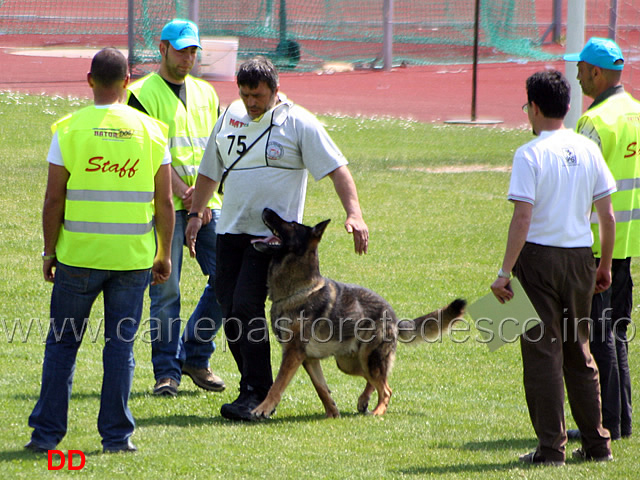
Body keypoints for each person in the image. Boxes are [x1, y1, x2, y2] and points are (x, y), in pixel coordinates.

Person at [184, 56, 369, 421]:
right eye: (246, 94)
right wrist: (195, 215)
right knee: (228, 307)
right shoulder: (230, 117)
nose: (251, 102)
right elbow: (209, 170)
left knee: (245, 307)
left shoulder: (297, 121)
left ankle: (257, 393)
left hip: (270, 240)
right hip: (229, 231)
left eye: (258, 95)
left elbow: (337, 169)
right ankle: (249, 385)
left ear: (275, 89)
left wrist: (354, 213)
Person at [25, 47, 174, 453]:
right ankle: (116, 438)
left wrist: (48, 251)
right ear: (128, 82)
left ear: (90, 80)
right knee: (120, 348)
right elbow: (164, 203)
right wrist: (164, 254)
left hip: (78, 258)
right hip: (131, 260)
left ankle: (46, 437)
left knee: (61, 345)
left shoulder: (69, 129)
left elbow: (53, 199)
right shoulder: (152, 131)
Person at [490, 70, 616, 465]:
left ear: (536, 107)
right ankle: (598, 445)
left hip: (539, 259)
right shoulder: (587, 148)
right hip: (581, 257)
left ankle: (551, 450)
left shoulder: (529, 153)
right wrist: (604, 265)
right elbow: (607, 216)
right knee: (579, 351)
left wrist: (504, 272)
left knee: (542, 355)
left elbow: (523, 219)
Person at [127, 18, 225, 396]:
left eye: (193, 51)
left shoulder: (206, 93)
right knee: (166, 290)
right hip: (162, 206)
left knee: (227, 280)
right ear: (163, 48)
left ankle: (195, 355)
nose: (188, 57)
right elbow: (144, 154)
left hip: (207, 206)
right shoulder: (141, 94)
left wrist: (201, 200)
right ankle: (166, 372)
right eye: (181, 49)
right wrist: (186, 193)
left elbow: (217, 152)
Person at [564, 36, 638, 441]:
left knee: (600, 337)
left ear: (596, 71)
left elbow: (580, 188)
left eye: (579, 71)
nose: (577, 79)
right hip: (628, 242)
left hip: (595, 247)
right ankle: (622, 419)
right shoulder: (637, 113)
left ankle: (608, 422)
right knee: (618, 333)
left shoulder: (593, 122)